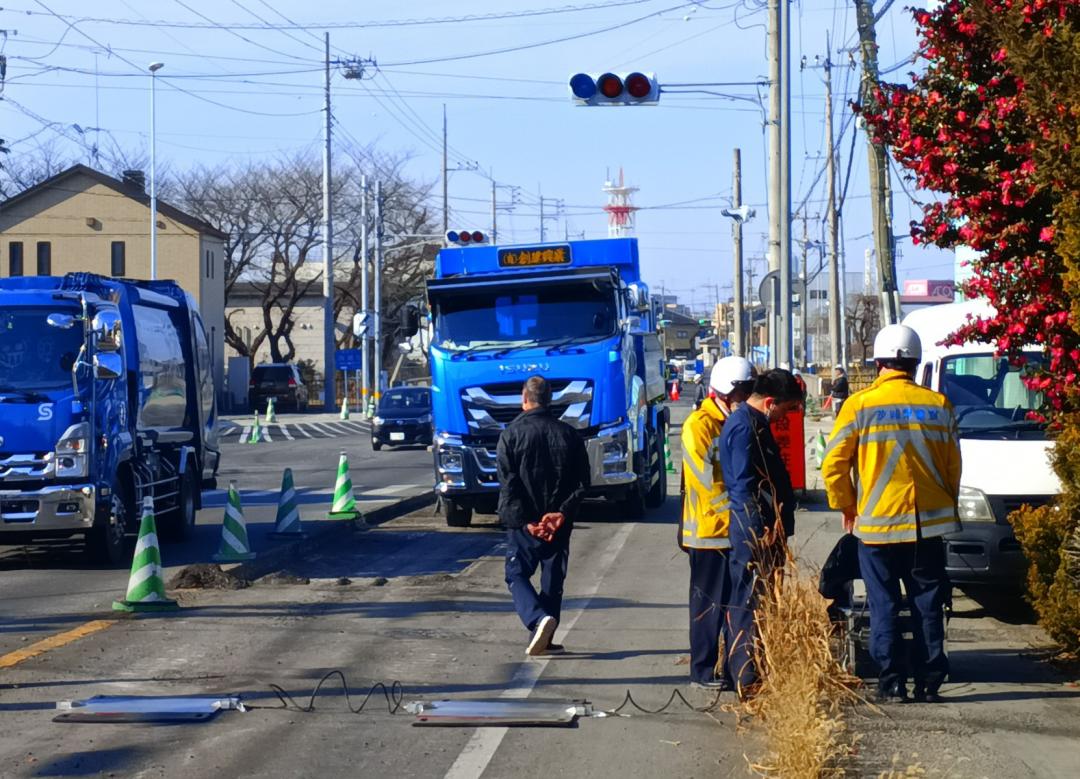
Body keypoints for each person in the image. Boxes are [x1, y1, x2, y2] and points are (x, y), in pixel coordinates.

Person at [821, 325, 961, 704]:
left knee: (883, 603)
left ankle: (891, 683)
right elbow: (952, 469)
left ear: (878, 362)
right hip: (927, 528)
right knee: (927, 602)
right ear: (915, 362)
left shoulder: (859, 405)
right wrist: (944, 510)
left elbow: (833, 465)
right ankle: (930, 682)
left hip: (876, 529)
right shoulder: (939, 405)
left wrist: (848, 506)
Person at [718, 369, 806, 696]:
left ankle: (753, 668)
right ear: (770, 402)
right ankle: (745, 676)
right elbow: (742, 486)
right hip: (752, 531)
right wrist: (760, 529)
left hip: (765, 529)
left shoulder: (756, 422)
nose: (784, 417)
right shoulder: (744, 426)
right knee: (747, 602)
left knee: (761, 601)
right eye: (785, 410)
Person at [497, 375, 591, 656]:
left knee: (516, 574)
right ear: (550, 399)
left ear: (524, 398)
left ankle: (538, 620)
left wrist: (527, 521)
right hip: (557, 524)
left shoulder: (510, 435)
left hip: (525, 524)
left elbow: (509, 483)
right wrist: (560, 515)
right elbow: (582, 483)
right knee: (552, 580)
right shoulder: (569, 434)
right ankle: (545, 636)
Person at [680, 356, 756, 690]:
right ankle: (701, 670)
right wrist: (738, 514)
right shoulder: (700, 425)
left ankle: (730, 670)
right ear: (724, 393)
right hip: (708, 533)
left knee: (732, 605)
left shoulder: (737, 421)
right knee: (707, 606)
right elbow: (704, 482)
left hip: (733, 531)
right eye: (741, 393)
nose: (745, 399)